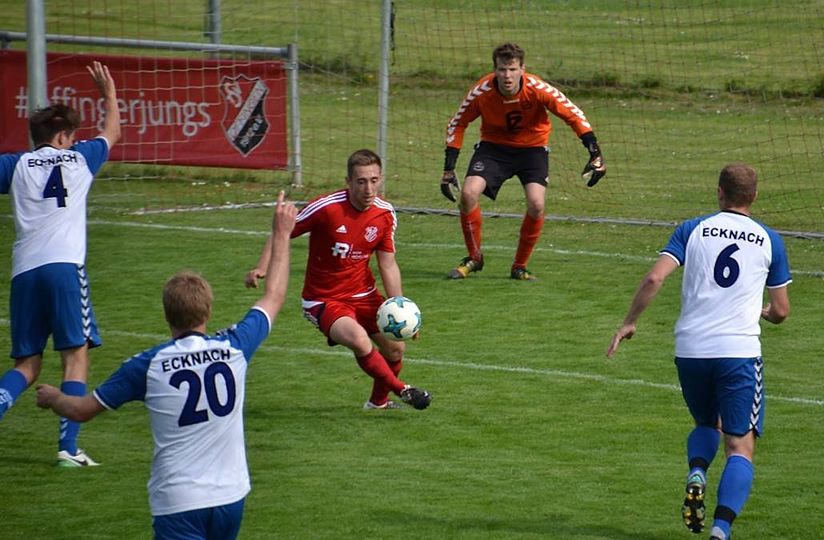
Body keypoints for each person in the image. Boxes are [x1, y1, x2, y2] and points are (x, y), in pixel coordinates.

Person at [36, 191, 297, 539]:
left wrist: (53, 398)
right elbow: (274, 295)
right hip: (231, 496)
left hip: (179, 500)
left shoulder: (147, 366)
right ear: (207, 311)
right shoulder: (234, 347)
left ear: (167, 316)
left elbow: (81, 410)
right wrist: (281, 233)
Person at [605, 163, 791, 540]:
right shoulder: (769, 239)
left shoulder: (692, 229)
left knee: (707, 424)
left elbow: (655, 277)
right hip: (738, 352)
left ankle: (697, 471)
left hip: (691, 351)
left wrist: (629, 322)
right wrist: (765, 313)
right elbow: (782, 311)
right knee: (739, 446)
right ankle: (720, 531)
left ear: (719, 192)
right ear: (754, 197)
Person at [0, 61, 120, 467]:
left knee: (27, 365)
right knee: (76, 355)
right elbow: (112, 132)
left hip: (24, 273)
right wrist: (108, 94)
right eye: (73, 135)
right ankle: (68, 448)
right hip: (65, 268)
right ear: (64, 137)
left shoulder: (15, 165)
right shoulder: (80, 158)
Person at [245, 149, 431, 410]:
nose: (369, 189)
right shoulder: (326, 208)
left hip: (364, 295)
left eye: (374, 180)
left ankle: (377, 404)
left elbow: (387, 264)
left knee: (395, 349)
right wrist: (261, 267)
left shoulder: (385, 213)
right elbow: (281, 231)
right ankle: (403, 390)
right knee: (359, 339)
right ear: (348, 182)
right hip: (323, 300)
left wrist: (402, 309)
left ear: (381, 179)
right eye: (361, 181)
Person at [441, 42, 606, 281]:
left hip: (532, 150)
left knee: (537, 204)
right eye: (502, 69)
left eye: (512, 69)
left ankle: (519, 266)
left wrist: (595, 152)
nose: (507, 76)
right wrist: (449, 167)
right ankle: (474, 258)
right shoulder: (481, 92)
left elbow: (572, 114)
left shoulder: (537, 88)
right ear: (495, 70)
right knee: (468, 194)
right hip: (494, 148)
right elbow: (458, 123)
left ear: (522, 69)